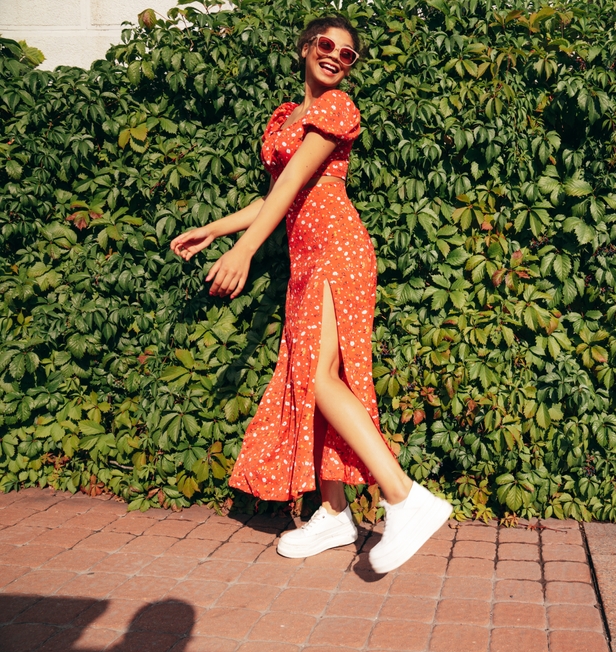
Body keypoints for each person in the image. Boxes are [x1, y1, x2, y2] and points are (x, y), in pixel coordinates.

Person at [169, 16, 451, 573]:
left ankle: (406, 498)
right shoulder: (288, 118)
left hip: (337, 250)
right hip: (306, 257)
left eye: (347, 55)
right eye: (327, 46)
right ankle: (335, 513)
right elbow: (279, 197)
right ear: (304, 48)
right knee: (312, 380)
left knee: (321, 379)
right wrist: (219, 231)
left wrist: (247, 251)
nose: (335, 58)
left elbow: (296, 185)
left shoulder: (337, 108)